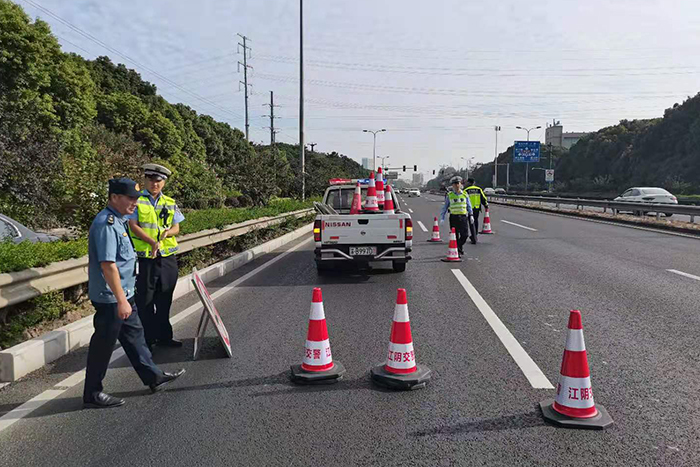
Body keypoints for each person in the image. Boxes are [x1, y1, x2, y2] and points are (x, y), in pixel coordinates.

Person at [84, 178, 185, 409]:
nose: (135, 203)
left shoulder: (119, 221)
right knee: (103, 345)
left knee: (135, 337)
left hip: (124, 292)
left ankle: (153, 377)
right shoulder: (106, 224)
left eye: (137, 198)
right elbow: (108, 265)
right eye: (130, 198)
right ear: (114, 198)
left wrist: (126, 297)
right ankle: (92, 393)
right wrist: (121, 301)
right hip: (111, 298)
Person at [129, 164, 184, 350]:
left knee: (164, 300)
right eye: (151, 180)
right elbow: (133, 225)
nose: (155, 184)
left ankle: (165, 337)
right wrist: (152, 241)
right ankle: (148, 340)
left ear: (164, 183)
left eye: (158, 181)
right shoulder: (137, 201)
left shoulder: (170, 202)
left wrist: (167, 233)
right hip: (146, 259)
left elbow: (177, 227)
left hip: (167, 258)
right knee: (145, 302)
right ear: (145, 180)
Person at [440, 176, 475, 256]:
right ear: (452, 185)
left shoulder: (465, 194)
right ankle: (458, 250)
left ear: (460, 184)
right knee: (455, 236)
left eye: (457, 183)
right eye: (454, 184)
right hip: (453, 217)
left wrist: (471, 215)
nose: (456, 185)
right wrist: (442, 218)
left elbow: (469, 206)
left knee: (465, 235)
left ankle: (458, 247)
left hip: (463, 217)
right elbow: (445, 207)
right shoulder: (450, 195)